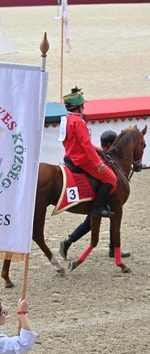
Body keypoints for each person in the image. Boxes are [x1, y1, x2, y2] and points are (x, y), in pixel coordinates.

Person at [60, 130, 131, 259]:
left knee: (89, 223)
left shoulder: (101, 155)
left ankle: (69, 241)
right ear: (110, 144)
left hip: (93, 198)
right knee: (112, 214)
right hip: (101, 198)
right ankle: (112, 249)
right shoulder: (105, 160)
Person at [60, 86, 117, 218]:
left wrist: (96, 148)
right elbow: (85, 145)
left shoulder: (66, 119)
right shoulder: (79, 121)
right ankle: (98, 208)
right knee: (111, 179)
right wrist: (98, 163)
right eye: (82, 106)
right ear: (77, 107)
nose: (83, 108)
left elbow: (73, 142)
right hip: (81, 159)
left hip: (69, 155)